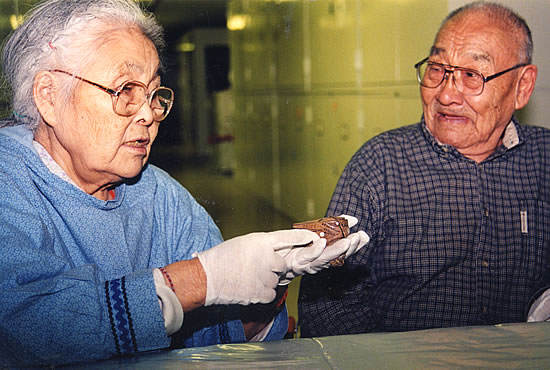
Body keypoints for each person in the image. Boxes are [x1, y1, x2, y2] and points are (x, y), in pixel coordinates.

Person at [0, 0, 369, 366]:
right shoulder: (8, 180)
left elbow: (209, 342)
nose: (147, 114)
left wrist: (268, 286)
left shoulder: (161, 195)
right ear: (48, 96)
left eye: (153, 93)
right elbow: (22, 329)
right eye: (125, 89)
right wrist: (194, 281)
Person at [299, 1, 550, 337]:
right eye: (436, 69)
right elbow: (325, 302)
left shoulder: (544, 160)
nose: (446, 94)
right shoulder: (379, 165)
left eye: (471, 75)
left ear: (522, 86)